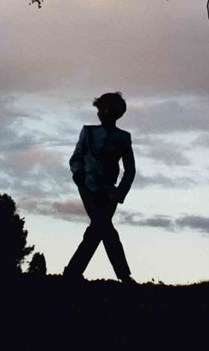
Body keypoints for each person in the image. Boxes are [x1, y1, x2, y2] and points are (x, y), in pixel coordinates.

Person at [64, 91, 136, 281]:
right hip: (88, 187)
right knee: (104, 227)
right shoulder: (88, 132)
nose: (100, 113)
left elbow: (130, 170)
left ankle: (72, 272)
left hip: (109, 192)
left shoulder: (123, 137)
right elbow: (76, 159)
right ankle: (124, 276)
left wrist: (118, 194)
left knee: (99, 229)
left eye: (104, 109)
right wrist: (80, 179)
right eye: (99, 109)